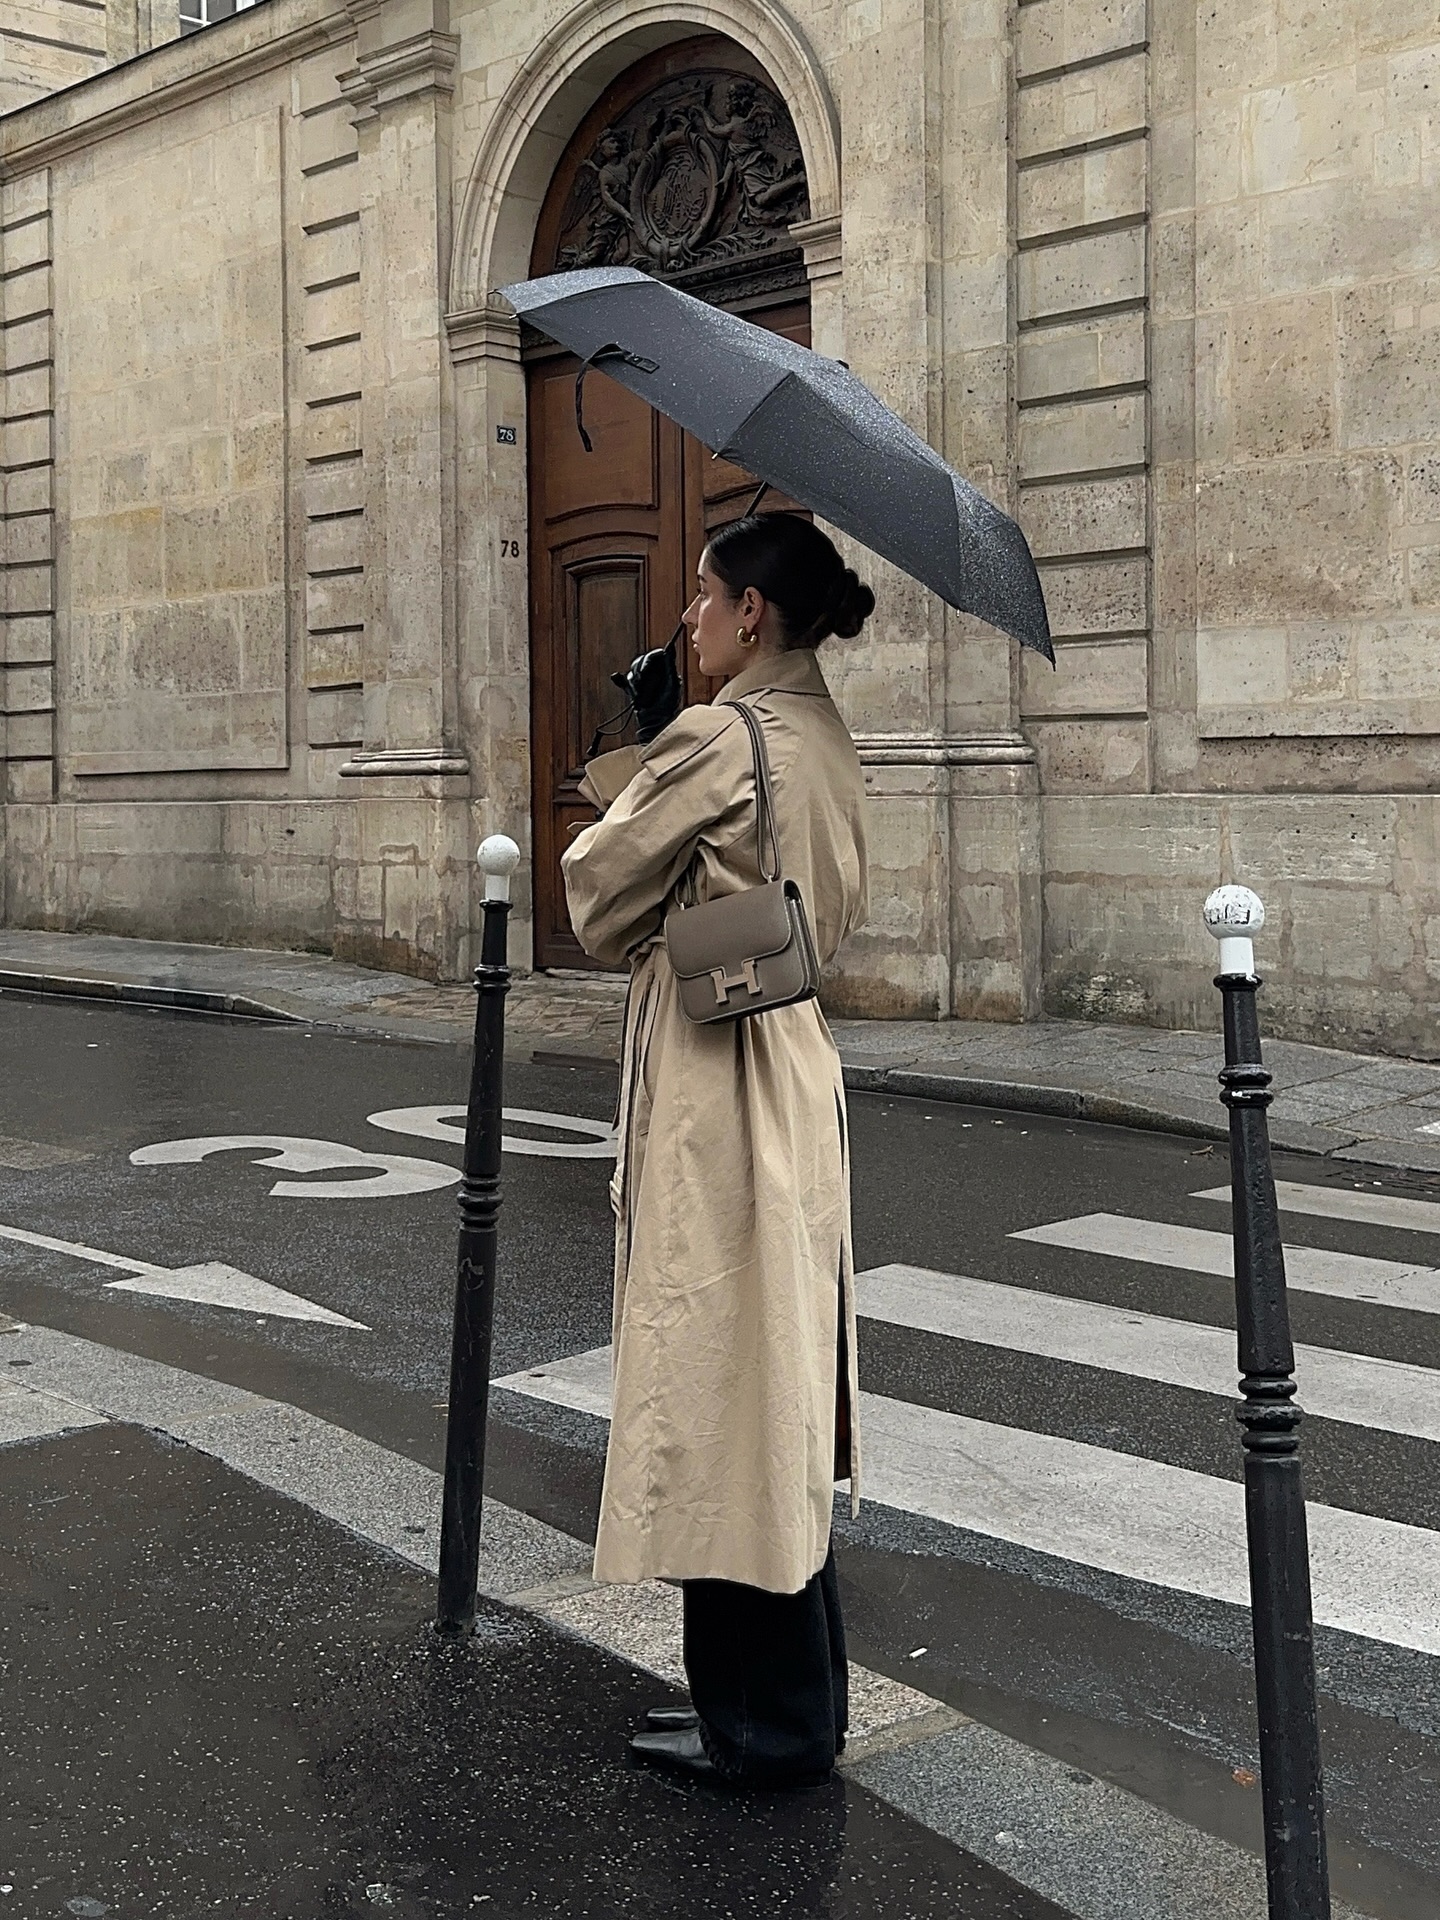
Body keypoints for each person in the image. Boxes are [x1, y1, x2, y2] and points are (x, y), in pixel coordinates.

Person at [561, 513, 875, 1789]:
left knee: (717, 1386)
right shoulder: (821, 734)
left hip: (713, 1080)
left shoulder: (718, 737)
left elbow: (596, 897)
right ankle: (783, 1703)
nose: (685, 620)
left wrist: (635, 755)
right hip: (793, 1061)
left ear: (755, 615)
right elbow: (818, 911)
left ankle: (763, 1724)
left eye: (702, 598)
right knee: (776, 1390)